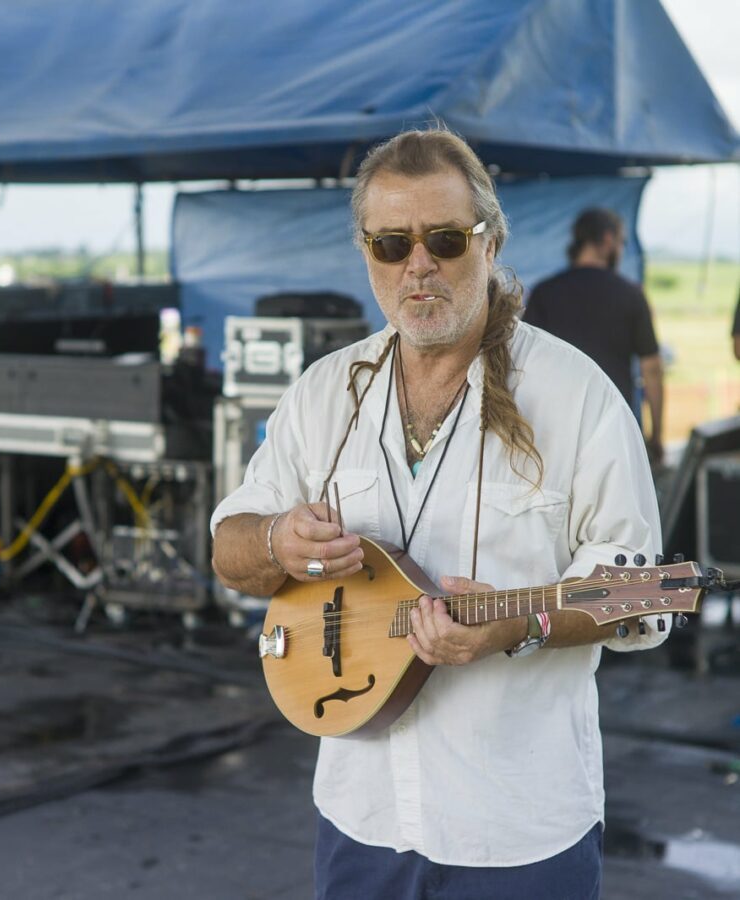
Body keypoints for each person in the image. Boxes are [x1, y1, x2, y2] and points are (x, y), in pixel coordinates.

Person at [211, 129, 669, 899]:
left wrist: (521, 623)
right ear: (366, 253)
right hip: (362, 821)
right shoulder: (325, 392)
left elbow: (648, 592)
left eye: (445, 239)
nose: (417, 264)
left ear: (489, 244)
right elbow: (229, 548)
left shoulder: (578, 396)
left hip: (521, 834)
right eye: (392, 243)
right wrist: (276, 541)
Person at [523, 208, 665, 466]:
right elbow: (652, 370)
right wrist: (656, 437)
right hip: (615, 434)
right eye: (622, 242)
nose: (621, 250)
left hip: (553, 436)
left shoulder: (544, 294)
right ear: (608, 240)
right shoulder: (631, 295)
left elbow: (523, 367)